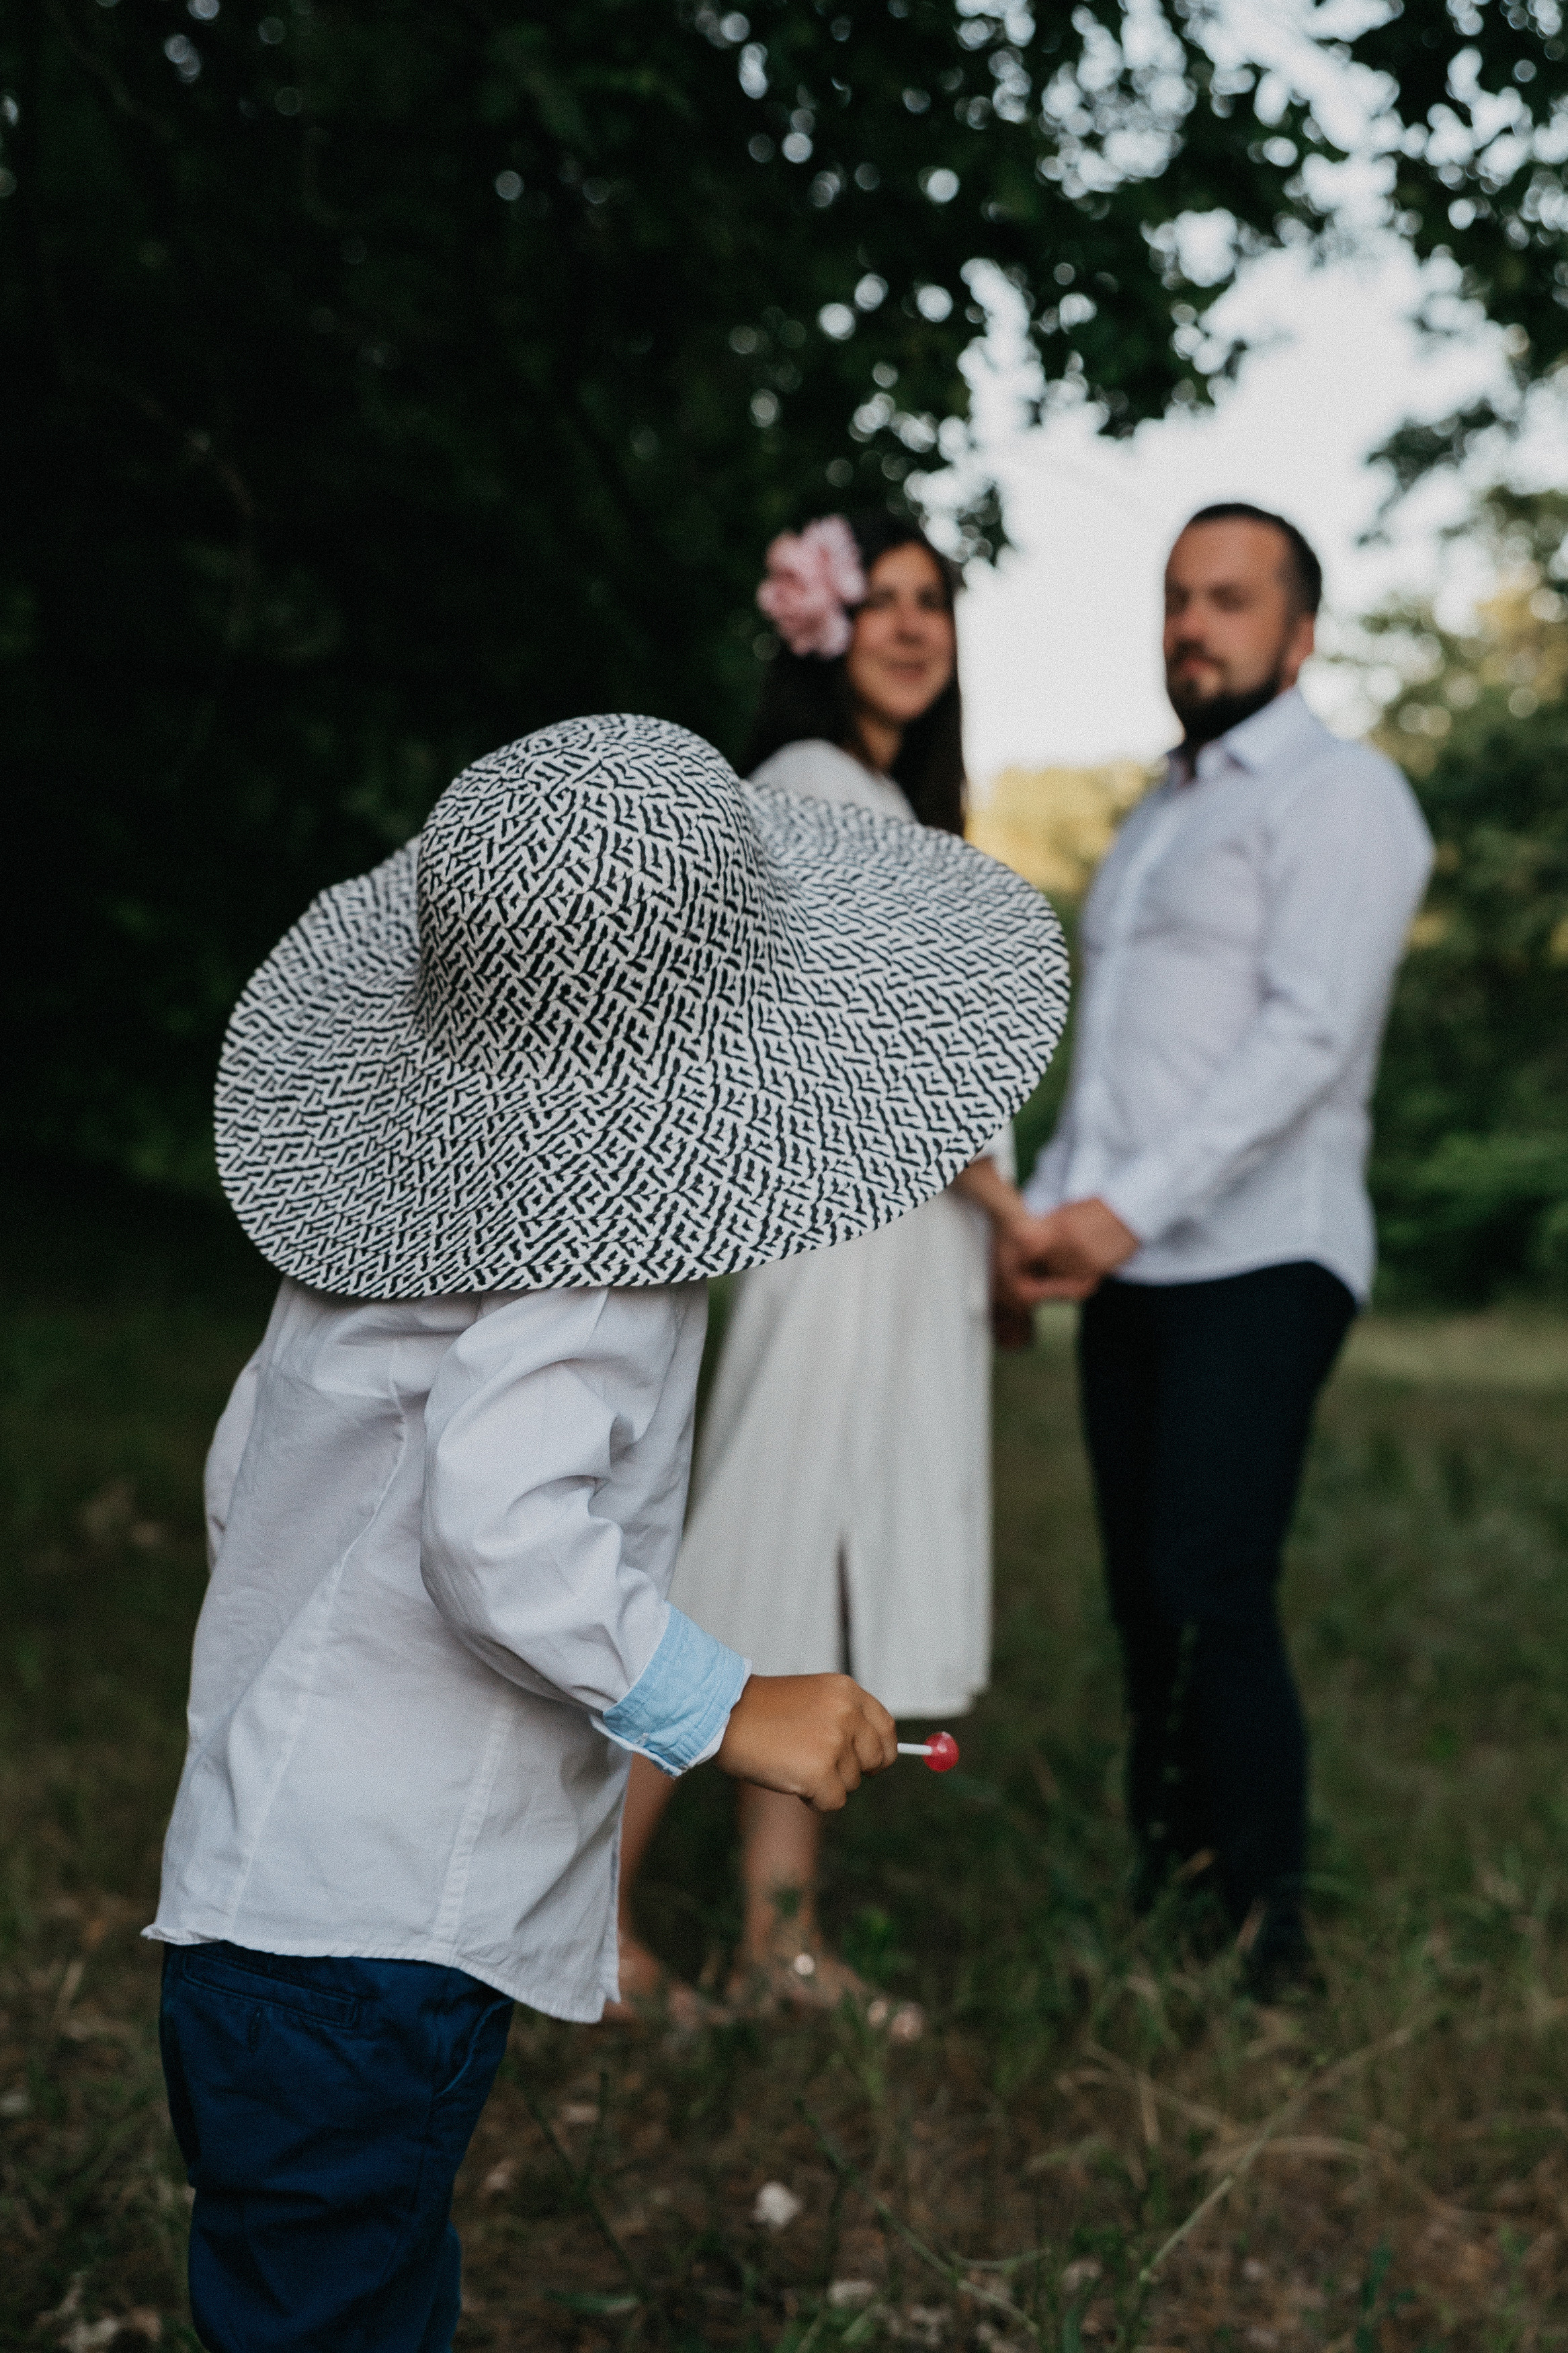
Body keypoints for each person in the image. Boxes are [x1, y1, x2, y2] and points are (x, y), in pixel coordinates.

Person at [147, 711, 1069, 2351]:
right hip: (381, 1946)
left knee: (321, 2291)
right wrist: (731, 1704)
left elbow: (249, 1479)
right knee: (343, 2304)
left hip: (243, 1906)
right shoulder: (605, 1250)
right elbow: (497, 1530)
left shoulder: (369, 1253)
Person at [612, 515, 1065, 2026]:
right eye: (881, 600)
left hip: (903, 1248)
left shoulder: (893, 801)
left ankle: (775, 1941)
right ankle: (578, 1918)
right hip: (840, 1240)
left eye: (936, 602)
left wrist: (979, 1241)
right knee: (743, 1562)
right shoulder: (808, 785)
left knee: (811, 1586)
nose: (913, 625)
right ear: (818, 629)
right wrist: (1009, 1211)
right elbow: (893, 1045)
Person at [1000, 504, 1433, 2001]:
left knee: (1209, 1580)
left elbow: (1306, 1039)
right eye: (1180, 598)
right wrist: (1052, 1213)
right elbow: (1119, 1066)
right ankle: (1170, 1889)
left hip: (1263, 1251)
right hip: (1132, 1263)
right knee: (1143, 1596)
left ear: (1300, 630)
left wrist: (1129, 1206)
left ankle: (1269, 1946)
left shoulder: (1342, 794)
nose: (1197, 624)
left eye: (1232, 600)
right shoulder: (1157, 817)